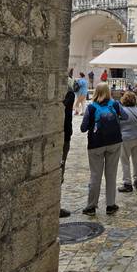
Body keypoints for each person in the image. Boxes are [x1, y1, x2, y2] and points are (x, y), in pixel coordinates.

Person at [80, 82, 128, 216]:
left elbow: (83, 128)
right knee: (111, 174)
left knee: (95, 175)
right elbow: (126, 117)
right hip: (114, 142)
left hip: (96, 144)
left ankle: (91, 206)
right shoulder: (115, 104)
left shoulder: (91, 108)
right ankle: (110, 205)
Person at [118, 91, 137, 192]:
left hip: (125, 138)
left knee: (125, 161)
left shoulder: (121, 111)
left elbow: (118, 125)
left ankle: (127, 183)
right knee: (136, 160)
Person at [60, 76, 75, 218]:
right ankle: (54, 204)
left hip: (63, 135)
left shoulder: (67, 95)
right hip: (63, 136)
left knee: (59, 169)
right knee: (60, 169)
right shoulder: (69, 94)